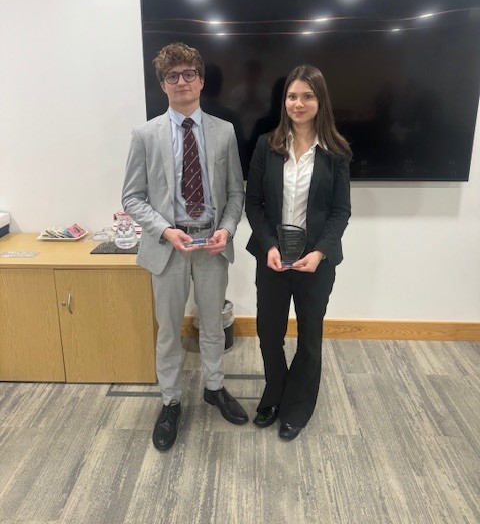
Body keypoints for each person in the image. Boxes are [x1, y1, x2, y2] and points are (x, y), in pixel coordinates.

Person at [122, 42, 247, 452]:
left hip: (211, 243)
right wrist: (163, 230)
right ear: (163, 84)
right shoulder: (145, 134)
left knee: (213, 325)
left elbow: (234, 193)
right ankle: (171, 401)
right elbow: (133, 197)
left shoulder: (224, 131)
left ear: (201, 80)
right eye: (172, 76)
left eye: (188, 74)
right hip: (168, 246)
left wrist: (226, 229)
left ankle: (214, 387)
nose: (182, 82)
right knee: (169, 331)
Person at [245, 64, 352, 441]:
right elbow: (254, 204)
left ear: (320, 101)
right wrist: (269, 245)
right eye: (292, 96)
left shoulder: (336, 152)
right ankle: (274, 394)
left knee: (309, 337)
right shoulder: (266, 144)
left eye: (307, 96)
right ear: (284, 101)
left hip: (315, 262)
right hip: (272, 257)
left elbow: (341, 211)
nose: (299, 103)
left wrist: (321, 252)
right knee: (268, 333)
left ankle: (297, 406)